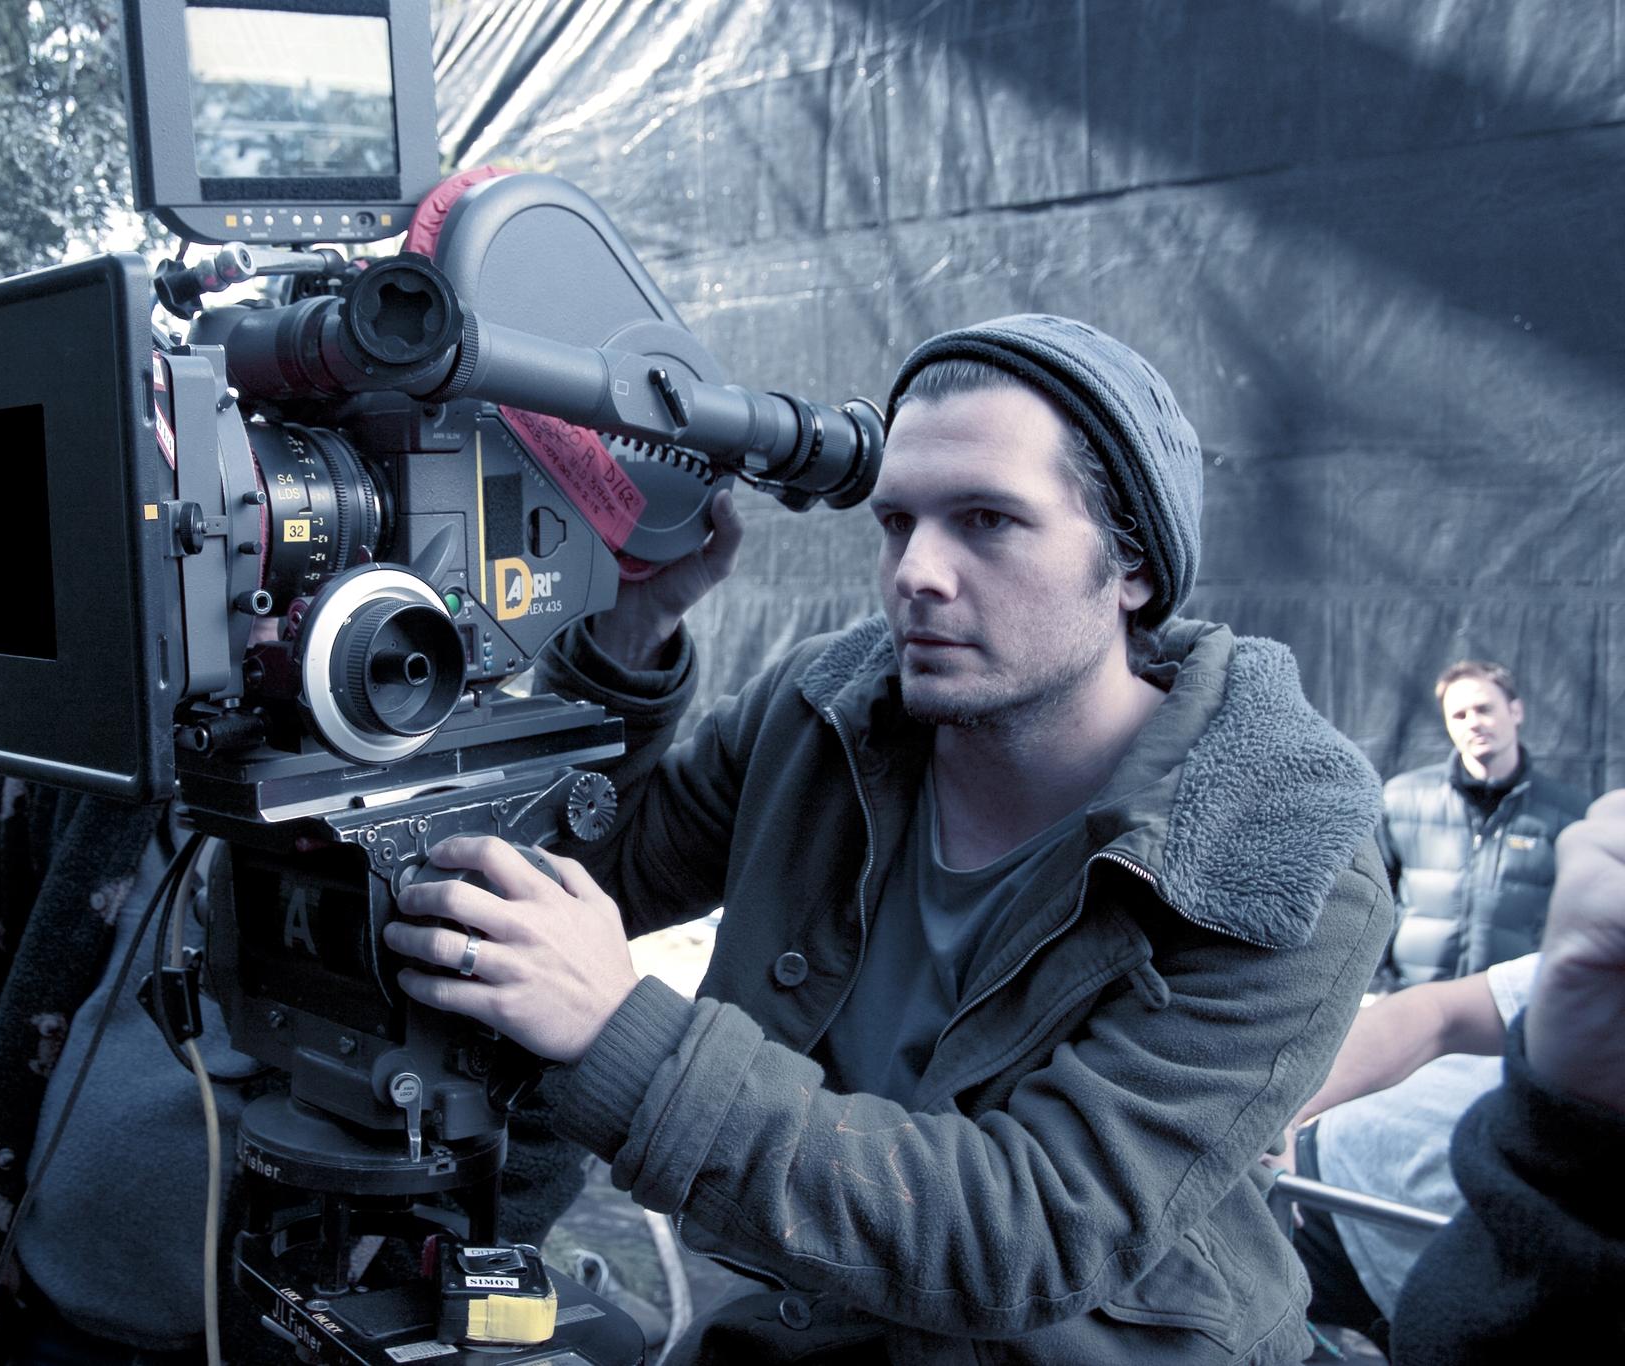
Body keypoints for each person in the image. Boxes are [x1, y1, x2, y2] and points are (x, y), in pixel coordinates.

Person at [382, 315, 1396, 1362]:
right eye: (898, 522)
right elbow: (597, 876)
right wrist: (626, 637)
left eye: (987, 520)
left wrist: (625, 1040)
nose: (918, 570)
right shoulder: (826, 706)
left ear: (1131, 562)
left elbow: (1025, 1235)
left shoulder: (1274, 860)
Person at [0, 787, 585, 1364]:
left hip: (273, 1338)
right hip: (34, 1307)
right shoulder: (85, 773)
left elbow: (543, 1097)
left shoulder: (477, 819)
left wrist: (383, 1298)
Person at [1389, 789, 1625, 1359]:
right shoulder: (1410, 796)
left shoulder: (1550, 806)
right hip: (1351, 1190)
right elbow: (1435, 1013)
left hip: (1416, 1248)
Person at [1274, 952, 1536, 1352]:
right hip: (1335, 1190)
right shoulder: (1605, 974)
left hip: (1477, 1315)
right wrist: (1285, 1112)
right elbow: (1441, 1016)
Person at [1379, 659, 1585, 988]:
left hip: (1515, 1005)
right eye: (1459, 715)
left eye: (1484, 709)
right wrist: (1376, 985)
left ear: (1516, 711)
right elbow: (1369, 900)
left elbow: (1581, 920)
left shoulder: (1568, 812)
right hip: (1413, 997)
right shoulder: (1401, 800)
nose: (1473, 723)